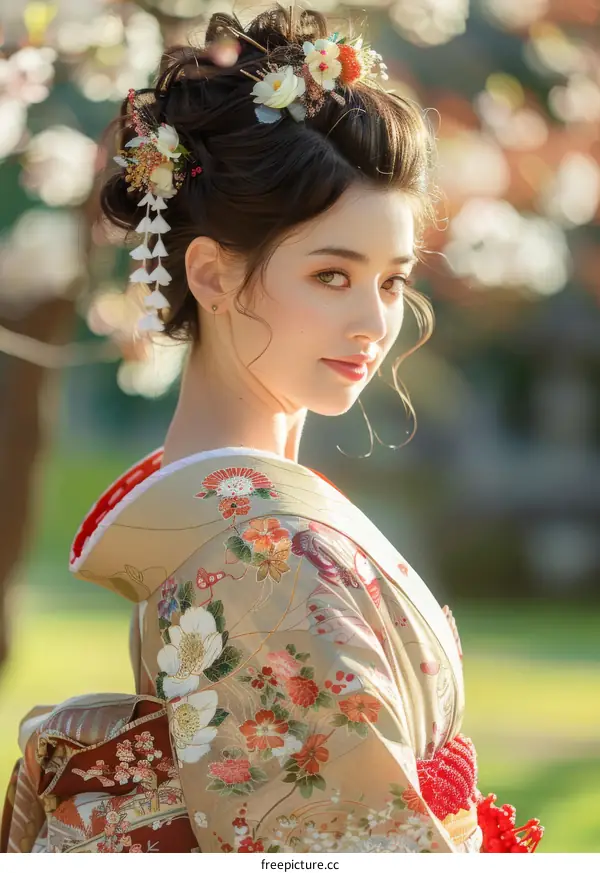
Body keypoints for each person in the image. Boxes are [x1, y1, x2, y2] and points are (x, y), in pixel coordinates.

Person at [1, 5, 543, 854]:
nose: (374, 321)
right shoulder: (262, 558)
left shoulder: (242, 521)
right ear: (212, 274)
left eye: (393, 281)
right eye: (332, 275)